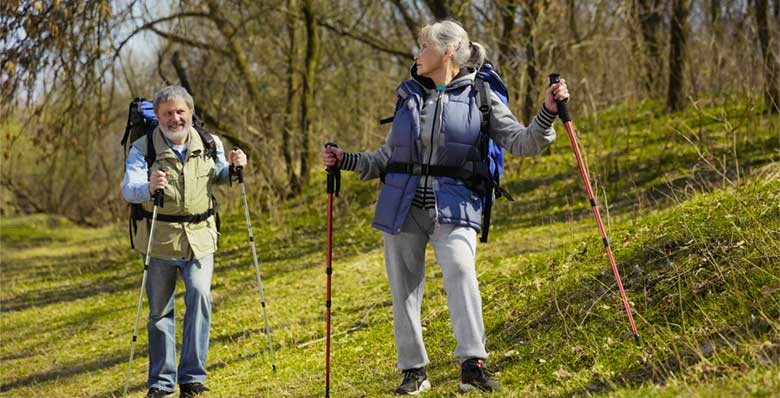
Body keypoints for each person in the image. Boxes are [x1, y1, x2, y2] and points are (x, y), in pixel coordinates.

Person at [320, 20, 569, 395]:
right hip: (402, 206)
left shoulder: (482, 96)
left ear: (447, 50)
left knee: (460, 269)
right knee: (403, 289)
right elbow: (387, 156)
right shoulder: (408, 96)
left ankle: (472, 364)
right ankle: (414, 372)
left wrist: (548, 112)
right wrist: (347, 160)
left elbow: (523, 141)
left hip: (455, 204)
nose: (416, 54)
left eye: (423, 46)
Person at [122, 85, 247, 398]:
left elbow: (217, 175)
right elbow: (129, 189)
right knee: (159, 313)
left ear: (190, 113)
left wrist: (233, 167)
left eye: (180, 112)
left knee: (200, 296)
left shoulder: (208, 141)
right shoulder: (142, 148)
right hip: (159, 241)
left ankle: (192, 378)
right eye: (167, 113)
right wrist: (148, 187)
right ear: (159, 117)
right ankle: (161, 384)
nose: (175, 118)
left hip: (200, 238)